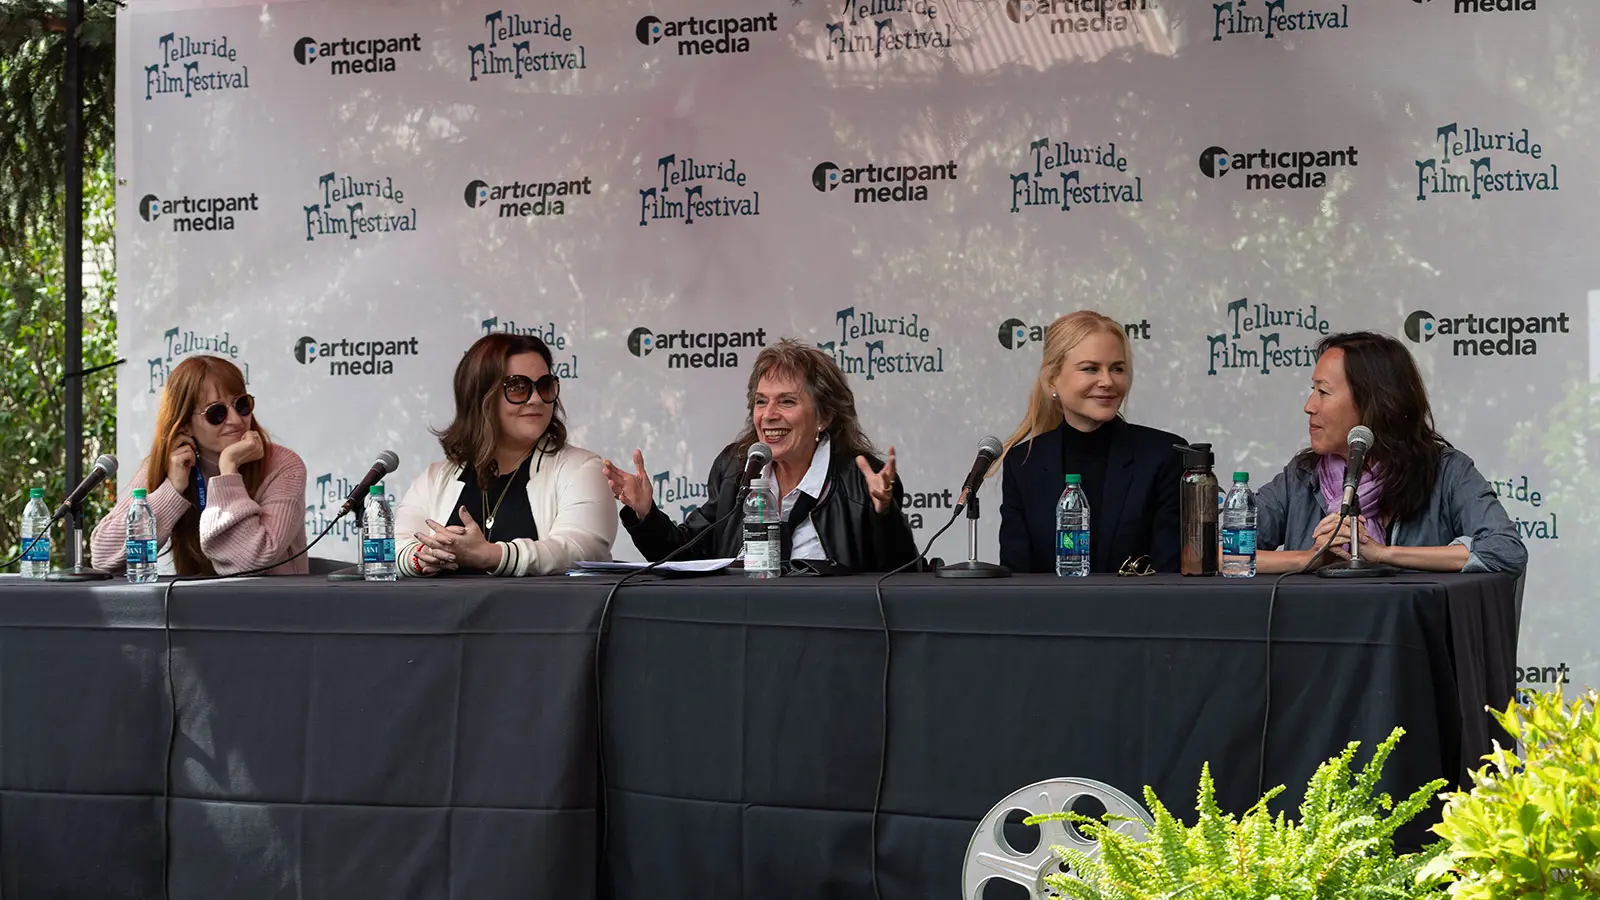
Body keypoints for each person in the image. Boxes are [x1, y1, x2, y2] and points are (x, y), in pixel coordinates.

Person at [603, 339, 919, 572]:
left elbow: (900, 576)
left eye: (787, 402)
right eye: (761, 401)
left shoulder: (861, 479)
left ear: (823, 416)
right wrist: (646, 515)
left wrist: (884, 515)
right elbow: (690, 557)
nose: (768, 415)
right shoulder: (736, 468)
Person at [1255, 331, 1526, 574]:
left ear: (1373, 402)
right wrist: (1308, 558)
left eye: (1323, 392)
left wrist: (1383, 555)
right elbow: (1228, 551)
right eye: (1312, 390)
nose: (1309, 406)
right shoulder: (1301, 476)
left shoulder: (1447, 472)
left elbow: (1505, 550)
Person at [397, 333, 615, 576]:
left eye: (544, 386)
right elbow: (393, 548)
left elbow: (581, 550)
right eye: (518, 387)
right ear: (479, 396)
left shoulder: (582, 468)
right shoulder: (435, 478)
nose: (536, 399)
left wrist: (490, 555)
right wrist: (423, 557)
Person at [997, 311, 1185, 573]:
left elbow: (1171, 575)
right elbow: (1016, 577)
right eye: (1090, 369)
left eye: (1117, 369)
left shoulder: (1165, 456)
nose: (1107, 381)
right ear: (1052, 379)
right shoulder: (1023, 463)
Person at [91, 355, 308, 575]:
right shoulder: (173, 464)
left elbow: (252, 561)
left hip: (272, 597)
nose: (235, 420)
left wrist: (229, 469)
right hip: (193, 597)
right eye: (217, 413)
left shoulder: (284, 466)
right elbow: (104, 558)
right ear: (185, 424)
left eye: (241, 405)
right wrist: (172, 490)